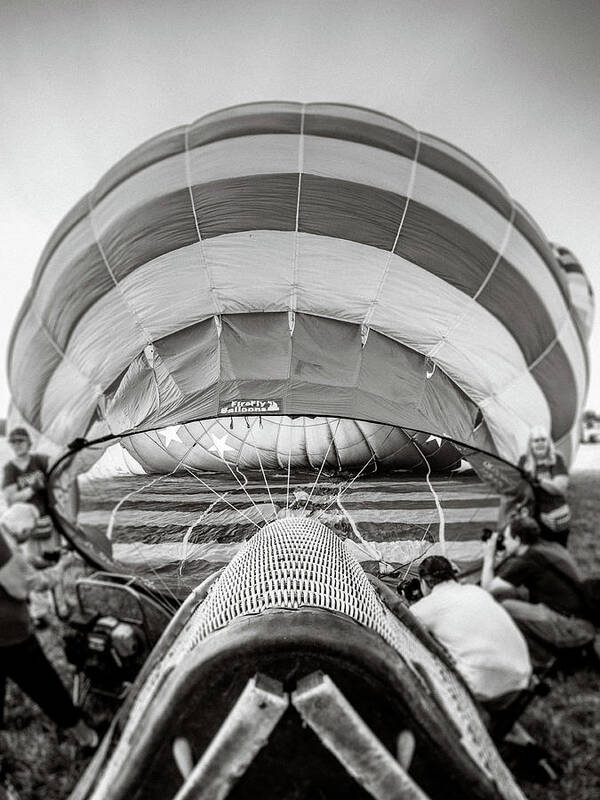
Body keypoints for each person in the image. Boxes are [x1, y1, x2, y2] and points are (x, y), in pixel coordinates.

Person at [0, 528, 97, 747]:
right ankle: (87, 738)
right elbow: (19, 585)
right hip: (9, 634)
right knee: (45, 687)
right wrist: (59, 569)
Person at [409, 556, 532, 704]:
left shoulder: (423, 608)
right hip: (523, 675)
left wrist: (412, 603)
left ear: (424, 582)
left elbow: (412, 626)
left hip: (490, 689)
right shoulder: (475, 590)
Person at [481, 517, 595, 667]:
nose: (504, 543)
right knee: (511, 594)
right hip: (585, 620)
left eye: (507, 539)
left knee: (505, 607)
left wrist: (489, 558)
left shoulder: (527, 561)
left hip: (572, 628)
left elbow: (486, 590)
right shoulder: (550, 547)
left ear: (518, 539)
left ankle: (545, 660)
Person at [518, 426, 570, 546]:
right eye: (536, 440)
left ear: (549, 442)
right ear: (530, 444)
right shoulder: (523, 461)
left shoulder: (556, 459)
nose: (540, 443)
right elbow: (518, 489)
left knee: (556, 554)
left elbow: (559, 488)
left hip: (554, 516)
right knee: (535, 555)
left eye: (543, 440)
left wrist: (538, 479)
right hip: (532, 516)